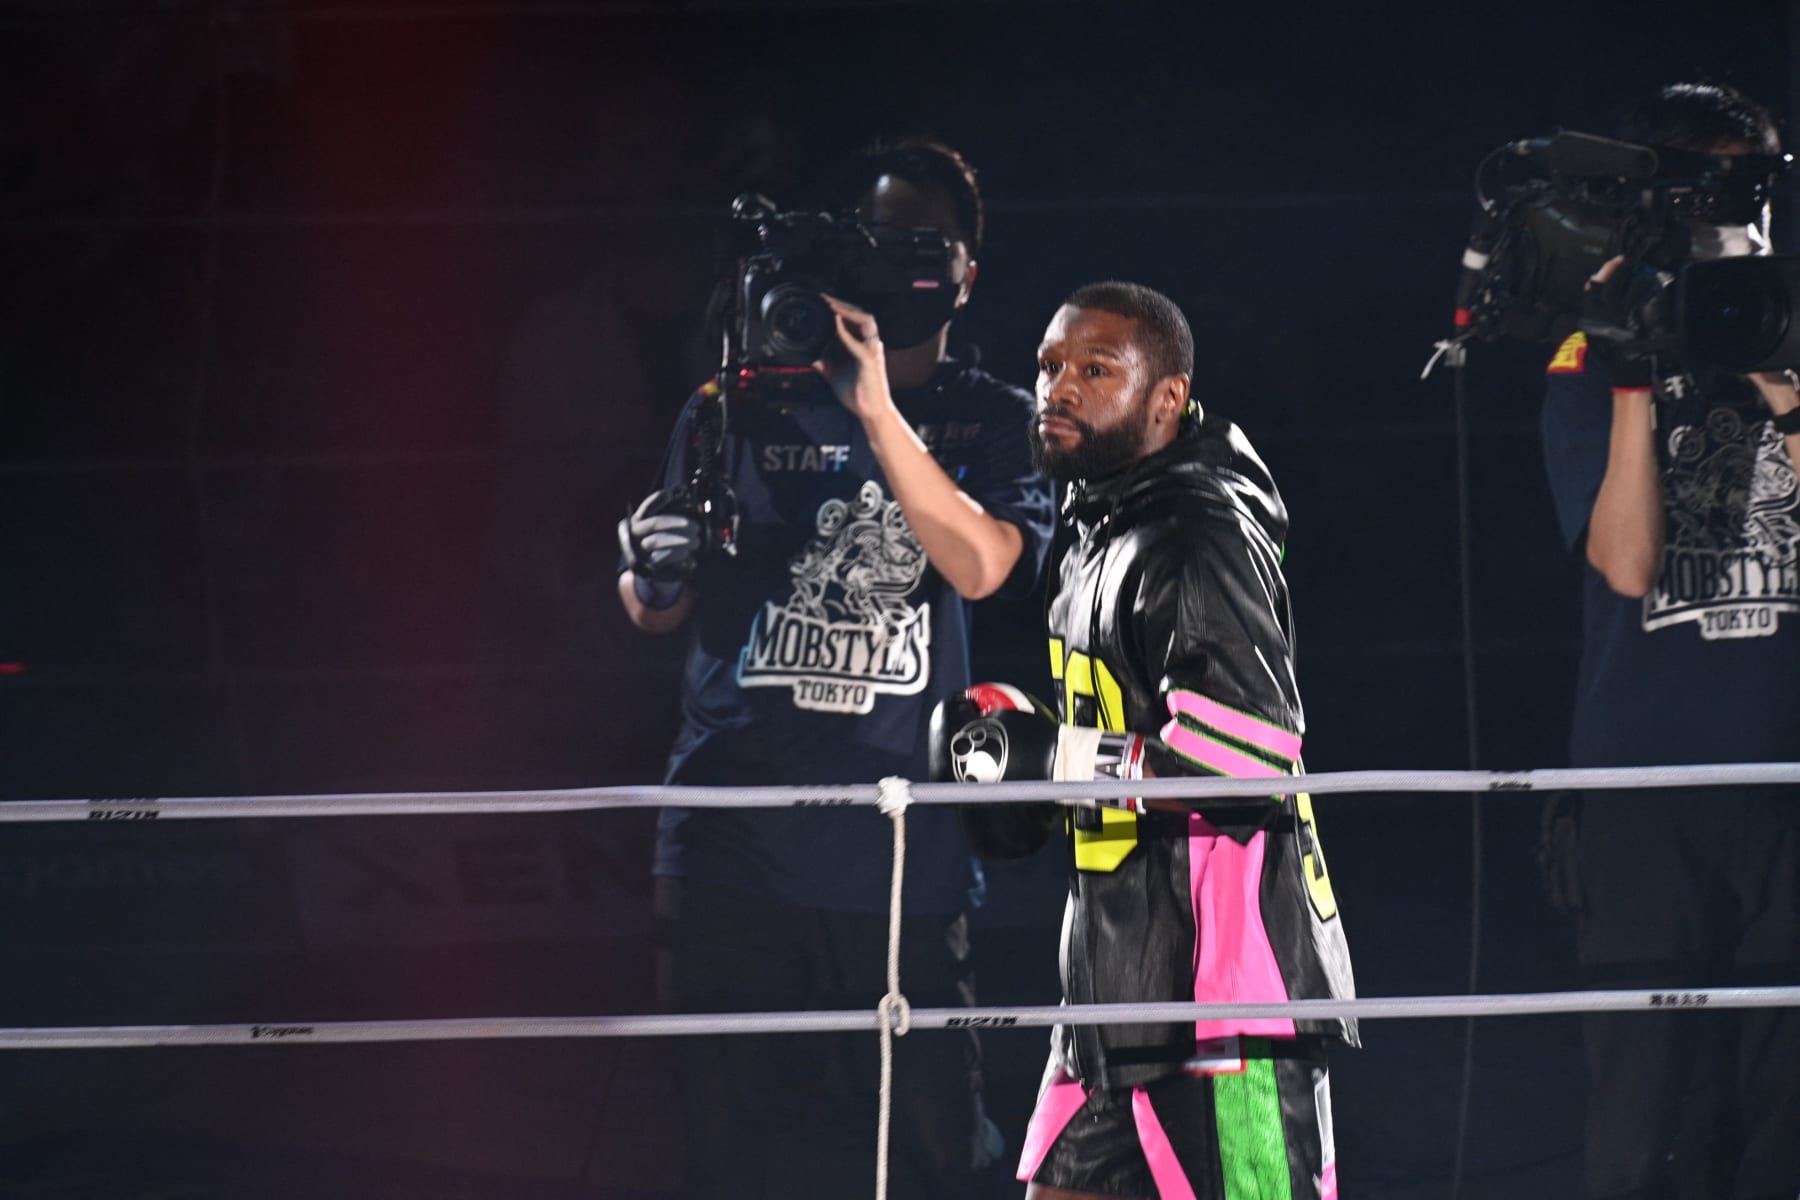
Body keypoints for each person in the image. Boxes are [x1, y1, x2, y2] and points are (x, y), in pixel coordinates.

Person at [617, 137, 1055, 1200]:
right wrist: (647, 573)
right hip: (730, 824)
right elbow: (652, 611)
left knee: (936, 1144)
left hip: (897, 843)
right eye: (879, 235)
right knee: (722, 1141)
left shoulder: (994, 419)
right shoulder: (736, 402)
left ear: (964, 271)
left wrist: (873, 411)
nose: (899, 258)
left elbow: (984, 564)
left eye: (924, 238)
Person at [931, 281, 1356, 1200]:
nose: (1059, 388)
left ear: (1167, 399)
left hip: (1226, 1000)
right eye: (1049, 367)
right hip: (1114, 982)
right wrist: (1044, 771)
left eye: (1095, 369)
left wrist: (1060, 763)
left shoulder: (1197, 532)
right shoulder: (1095, 525)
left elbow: (1251, 768)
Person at [1537, 82, 1800, 1200]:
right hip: (1642, 787)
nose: (1747, 229)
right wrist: (1637, 368)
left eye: (1761, 200)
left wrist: (1782, 381)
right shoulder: (1584, 364)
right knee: (1643, 1114)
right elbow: (1629, 565)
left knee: (1785, 1109)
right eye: (1722, 203)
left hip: (1786, 777)